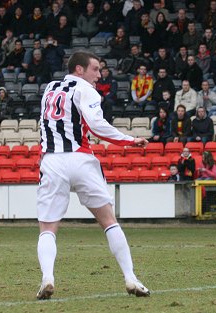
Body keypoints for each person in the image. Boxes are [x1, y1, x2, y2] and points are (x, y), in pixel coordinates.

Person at [36, 51, 150, 300]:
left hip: (52, 160)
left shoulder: (49, 88)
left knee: (47, 228)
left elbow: (46, 125)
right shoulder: (85, 89)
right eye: (95, 69)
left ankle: (47, 278)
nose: (99, 75)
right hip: (80, 159)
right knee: (109, 221)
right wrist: (130, 140)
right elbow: (98, 126)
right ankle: (130, 278)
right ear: (79, 69)